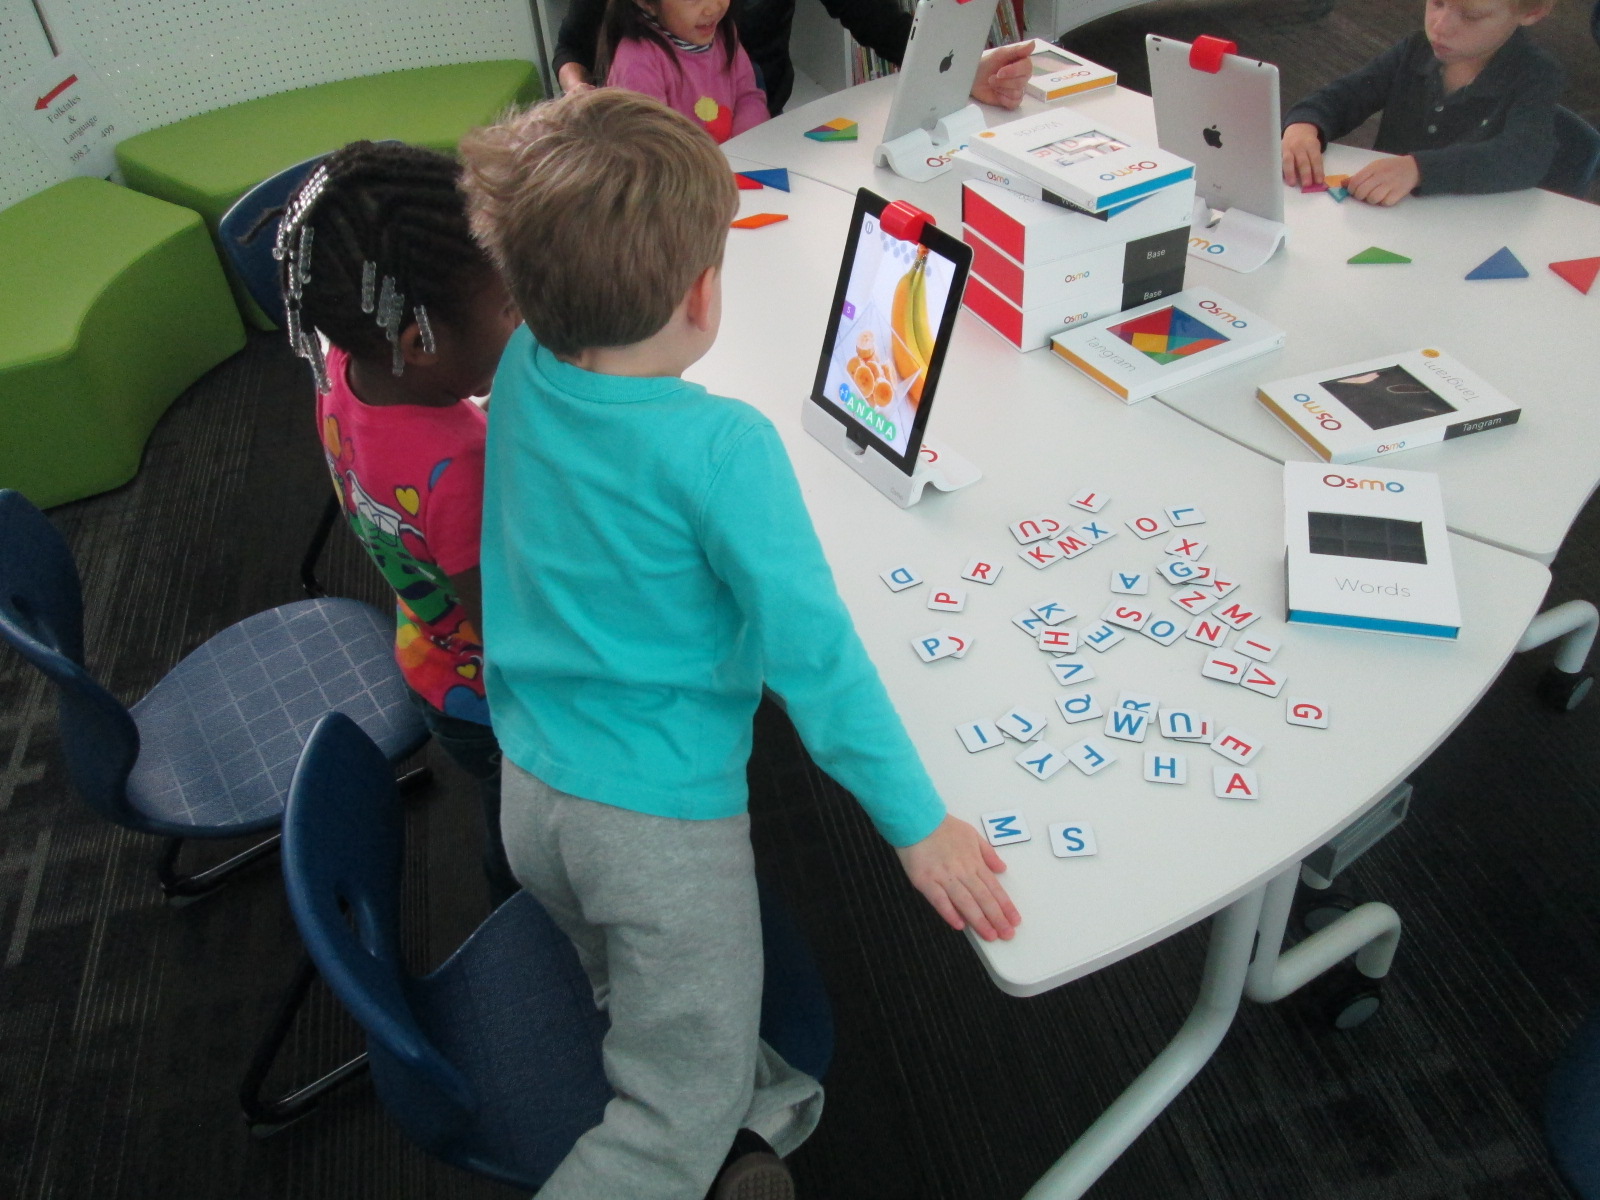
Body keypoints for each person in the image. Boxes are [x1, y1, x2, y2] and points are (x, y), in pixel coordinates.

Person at [458, 89, 1019, 1200]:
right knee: (673, 1118)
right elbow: (817, 661)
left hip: (528, 790)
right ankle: (705, 1133)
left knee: (637, 996)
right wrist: (919, 826)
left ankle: (733, 1117)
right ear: (702, 293)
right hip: (655, 834)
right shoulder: (723, 447)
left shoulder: (521, 362)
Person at [273, 140, 522, 907]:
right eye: (509, 306)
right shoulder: (462, 469)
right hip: (493, 704)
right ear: (418, 343)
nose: (524, 316)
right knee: (521, 829)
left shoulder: (343, 366)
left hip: (427, 652)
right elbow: (515, 634)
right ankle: (525, 908)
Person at [1280, 0, 1562, 205]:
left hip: (1469, 230)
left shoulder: (1535, 74)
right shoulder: (1415, 50)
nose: (1440, 27)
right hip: (1385, 218)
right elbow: (1345, 96)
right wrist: (1304, 125)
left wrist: (1419, 170)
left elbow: (1524, 157)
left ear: (1532, 11)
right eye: (1437, 2)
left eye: (1471, 16)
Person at [555, 0, 1033, 117]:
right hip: (670, 166)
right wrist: (579, 92)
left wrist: (961, 69)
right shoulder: (639, 53)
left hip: (757, 129)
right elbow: (573, 49)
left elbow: (876, 20)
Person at [596, 0, 769, 142]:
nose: (713, 8)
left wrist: (743, 148)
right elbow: (652, 146)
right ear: (646, 3)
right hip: (679, 170)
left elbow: (748, 97)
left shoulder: (724, 32)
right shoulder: (637, 63)